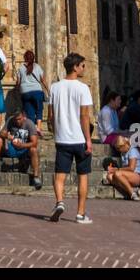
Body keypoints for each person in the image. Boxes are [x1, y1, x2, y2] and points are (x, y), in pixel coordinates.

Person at [48, 52, 94, 224]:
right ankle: (81, 214)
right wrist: (88, 140)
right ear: (75, 67)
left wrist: (56, 131)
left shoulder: (54, 87)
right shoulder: (83, 88)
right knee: (83, 175)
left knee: (60, 175)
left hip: (62, 139)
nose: (84, 68)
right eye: (82, 65)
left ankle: (59, 202)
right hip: (79, 139)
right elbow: (84, 116)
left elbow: (50, 116)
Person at [0, 110, 43, 189]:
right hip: (11, 148)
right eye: (16, 119)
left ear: (24, 117)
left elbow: (34, 143)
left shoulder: (29, 123)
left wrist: (22, 145)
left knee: (34, 150)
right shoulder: (11, 120)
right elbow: (1, 133)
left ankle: (36, 177)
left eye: (19, 119)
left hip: (24, 150)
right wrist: (9, 136)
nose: (17, 121)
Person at [104, 134, 140, 200]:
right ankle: (131, 191)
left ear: (124, 145)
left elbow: (131, 168)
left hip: (138, 176)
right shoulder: (123, 153)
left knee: (117, 173)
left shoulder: (132, 151)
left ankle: (132, 193)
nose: (119, 150)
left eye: (119, 148)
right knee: (109, 177)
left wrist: (116, 169)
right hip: (128, 175)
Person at [16, 51, 48, 129]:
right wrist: (48, 89)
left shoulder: (20, 68)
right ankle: (39, 127)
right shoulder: (37, 66)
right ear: (33, 58)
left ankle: (32, 128)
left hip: (25, 92)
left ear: (24, 58)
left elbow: (18, 82)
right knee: (39, 109)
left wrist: (17, 90)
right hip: (37, 91)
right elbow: (43, 80)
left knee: (29, 111)